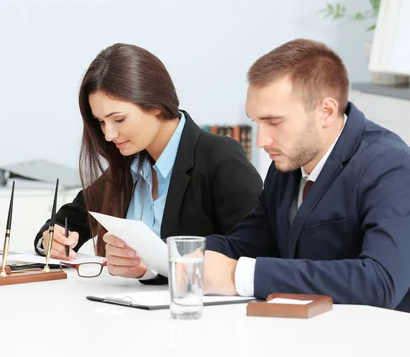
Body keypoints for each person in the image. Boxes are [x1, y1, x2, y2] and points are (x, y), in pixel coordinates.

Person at [185, 38, 410, 311]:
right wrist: (172, 257)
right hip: (305, 335)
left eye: (274, 122)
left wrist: (240, 276)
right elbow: (245, 244)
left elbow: (381, 282)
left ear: (326, 111)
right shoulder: (287, 165)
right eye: (257, 122)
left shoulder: (391, 166)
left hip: (377, 344)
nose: (261, 140)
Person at [33, 42, 263, 283]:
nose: (109, 135)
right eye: (101, 122)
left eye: (118, 119)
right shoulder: (130, 164)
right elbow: (69, 220)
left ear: (154, 104)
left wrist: (151, 270)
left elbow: (253, 254)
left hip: (201, 315)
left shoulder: (219, 157)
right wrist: (53, 240)